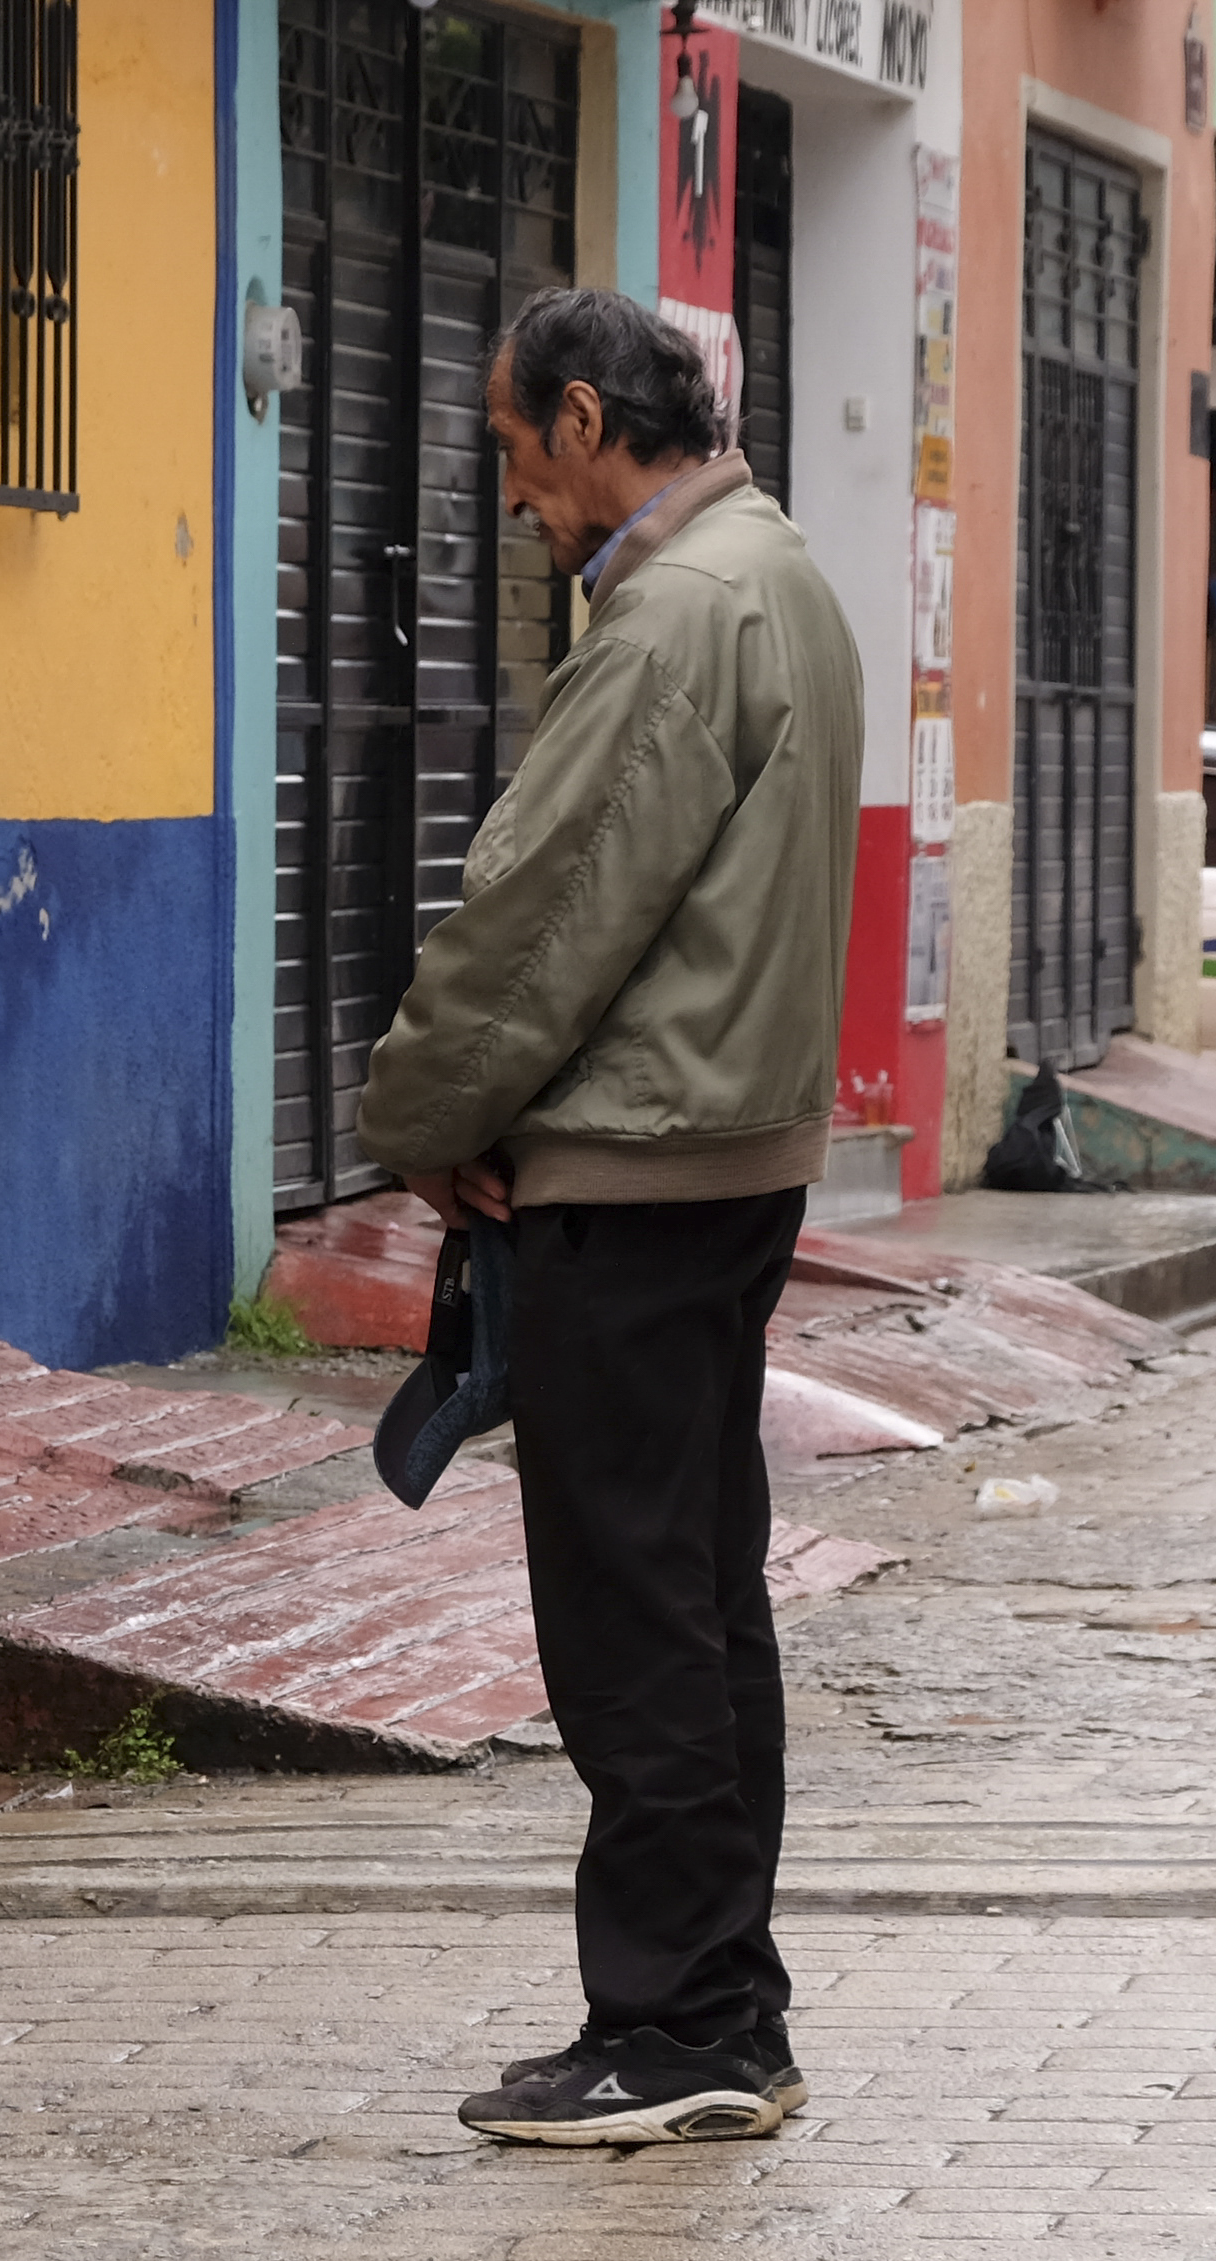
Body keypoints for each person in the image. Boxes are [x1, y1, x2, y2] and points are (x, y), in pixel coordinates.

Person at [357, 287, 863, 2149]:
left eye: (510, 449)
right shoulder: (777, 573)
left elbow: (541, 907)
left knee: (630, 1610)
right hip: (724, 1160)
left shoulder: (675, 609)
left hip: (636, 1174)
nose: (513, 495)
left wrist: (417, 1114)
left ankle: (672, 2025)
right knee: (698, 1595)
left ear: (583, 419)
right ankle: (717, 2005)